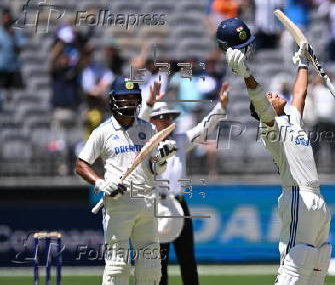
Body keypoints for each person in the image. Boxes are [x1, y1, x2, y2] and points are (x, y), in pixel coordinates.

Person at [217, 17, 331, 285]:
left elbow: (300, 94)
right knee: (295, 263)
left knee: (319, 263)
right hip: (296, 198)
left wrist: (303, 60)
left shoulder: (292, 117)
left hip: (316, 197)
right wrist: (246, 74)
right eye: (268, 98)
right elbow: (259, 99)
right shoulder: (271, 129)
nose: (273, 95)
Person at [75, 77, 176, 285]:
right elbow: (81, 165)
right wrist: (101, 183)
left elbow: (154, 166)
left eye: (133, 97)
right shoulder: (103, 132)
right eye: (124, 97)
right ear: (113, 100)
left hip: (147, 202)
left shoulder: (149, 129)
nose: (129, 101)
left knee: (150, 270)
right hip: (118, 204)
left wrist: (163, 159)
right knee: (117, 267)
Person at [140, 79, 230, 285]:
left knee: (187, 257)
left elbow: (203, 128)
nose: (166, 121)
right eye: (161, 118)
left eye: (168, 117)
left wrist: (220, 106)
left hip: (179, 203)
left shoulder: (179, 141)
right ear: (152, 121)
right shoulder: (144, 146)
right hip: (156, 205)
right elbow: (138, 125)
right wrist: (150, 105)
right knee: (159, 261)